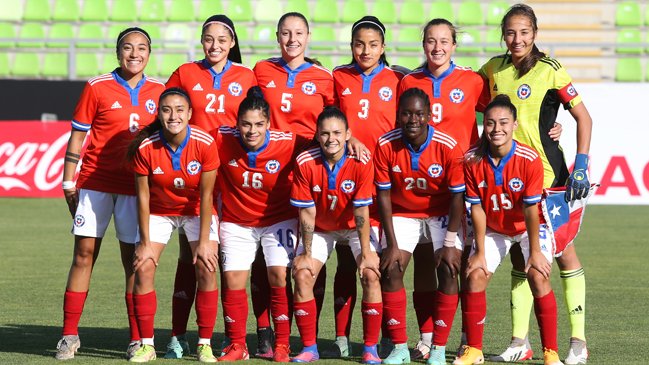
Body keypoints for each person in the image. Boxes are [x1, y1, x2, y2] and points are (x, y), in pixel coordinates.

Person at [477, 5, 593, 364]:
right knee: (520, 256)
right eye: (510, 33)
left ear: (535, 34)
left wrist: (581, 165)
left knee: (562, 254)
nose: (517, 39)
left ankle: (578, 340)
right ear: (503, 35)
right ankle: (520, 342)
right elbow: (476, 108)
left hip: (548, 179)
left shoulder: (551, 70)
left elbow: (583, 117)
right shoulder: (492, 70)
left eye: (524, 32)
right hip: (508, 179)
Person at [55, 27, 165, 361]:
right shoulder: (96, 86)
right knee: (83, 255)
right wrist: (68, 181)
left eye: (142, 48)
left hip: (136, 188)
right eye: (128, 48)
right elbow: (77, 137)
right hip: (95, 184)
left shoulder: (161, 91)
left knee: (134, 264)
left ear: (150, 53)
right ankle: (69, 336)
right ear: (118, 53)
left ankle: (137, 339)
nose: (135, 54)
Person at [395, 19, 491, 360]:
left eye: (444, 41)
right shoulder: (409, 81)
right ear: (423, 44)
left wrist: (548, 124)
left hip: (462, 186)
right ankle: (426, 337)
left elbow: (500, 114)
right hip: (421, 186)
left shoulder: (472, 80)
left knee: (458, 263)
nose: (437, 47)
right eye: (431, 41)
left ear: (454, 45)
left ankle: (467, 338)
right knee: (423, 262)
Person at [163, 14, 258, 360]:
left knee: (232, 259)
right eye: (208, 39)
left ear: (232, 43)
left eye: (222, 39)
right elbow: (165, 112)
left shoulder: (247, 76)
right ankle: (177, 336)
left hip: (234, 180)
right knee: (190, 257)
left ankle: (234, 338)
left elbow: (258, 122)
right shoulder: (186, 72)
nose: (215, 45)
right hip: (194, 179)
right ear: (201, 41)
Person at [251, 11, 336, 353]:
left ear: (308, 36)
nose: (292, 40)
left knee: (308, 254)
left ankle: (308, 333)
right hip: (266, 177)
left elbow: (337, 124)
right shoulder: (260, 71)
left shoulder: (324, 77)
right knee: (263, 258)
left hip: (309, 176)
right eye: (285, 33)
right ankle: (264, 331)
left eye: (298, 33)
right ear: (277, 36)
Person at [454, 94, 561, 365]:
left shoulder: (529, 158)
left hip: (528, 228)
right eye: (490, 123)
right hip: (493, 229)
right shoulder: (473, 160)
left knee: (538, 276)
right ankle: (474, 350)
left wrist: (535, 251)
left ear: (515, 124)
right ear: (484, 125)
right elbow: (476, 208)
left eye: (503, 122)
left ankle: (551, 353)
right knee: (475, 275)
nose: (496, 129)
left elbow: (530, 210)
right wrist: (478, 251)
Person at [325, 15, 405, 358]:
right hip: (346, 179)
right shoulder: (338, 76)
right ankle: (341, 337)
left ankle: (387, 335)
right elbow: (330, 121)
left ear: (383, 47)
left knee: (383, 263)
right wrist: (352, 137)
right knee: (346, 261)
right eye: (359, 44)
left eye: (373, 44)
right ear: (351, 46)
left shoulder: (399, 78)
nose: (366, 50)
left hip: (387, 181)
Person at [213, 87, 312, 363]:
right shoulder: (220, 138)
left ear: (269, 123)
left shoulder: (289, 141)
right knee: (233, 279)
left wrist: (353, 142)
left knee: (278, 275)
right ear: (237, 123)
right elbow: (189, 138)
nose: (252, 131)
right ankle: (237, 345)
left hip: (278, 218)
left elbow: (323, 143)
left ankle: (282, 344)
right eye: (246, 124)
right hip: (236, 221)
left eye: (259, 124)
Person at [126, 87, 220, 363]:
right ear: (159, 113)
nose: (173, 115)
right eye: (166, 110)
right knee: (142, 267)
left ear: (190, 113)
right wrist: (144, 244)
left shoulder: (204, 143)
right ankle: (147, 345)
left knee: (206, 265)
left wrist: (203, 242)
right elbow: (143, 197)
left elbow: (206, 196)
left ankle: (204, 343)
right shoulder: (145, 147)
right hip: (159, 211)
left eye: (180, 109)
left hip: (195, 211)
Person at [374, 88, 467, 365]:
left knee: (450, 269)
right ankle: (400, 347)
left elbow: (456, 197)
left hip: (440, 214)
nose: (412, 120)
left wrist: (450, 243)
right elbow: (383, 195)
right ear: (398, 115)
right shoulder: (385, 144)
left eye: (418, 114)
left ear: (429, 115)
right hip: (403, 213)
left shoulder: (448, 146)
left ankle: (437, 348)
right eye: (406, 113)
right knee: (390, 269)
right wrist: (390, 244)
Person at [290, 106, 382, 364]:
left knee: (371, 273)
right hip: (320, 227)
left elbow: (362, 209)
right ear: (317, 135)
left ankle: (370, 349)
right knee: (302, 274)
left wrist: (366, 253)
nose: (331, 139)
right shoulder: (304, 161)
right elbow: (307, 212)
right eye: (325, 133)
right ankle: (310, 348)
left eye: (337, 133)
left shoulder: (362, 159)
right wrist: (307, 255)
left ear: (348, 134)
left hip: (355, 225)